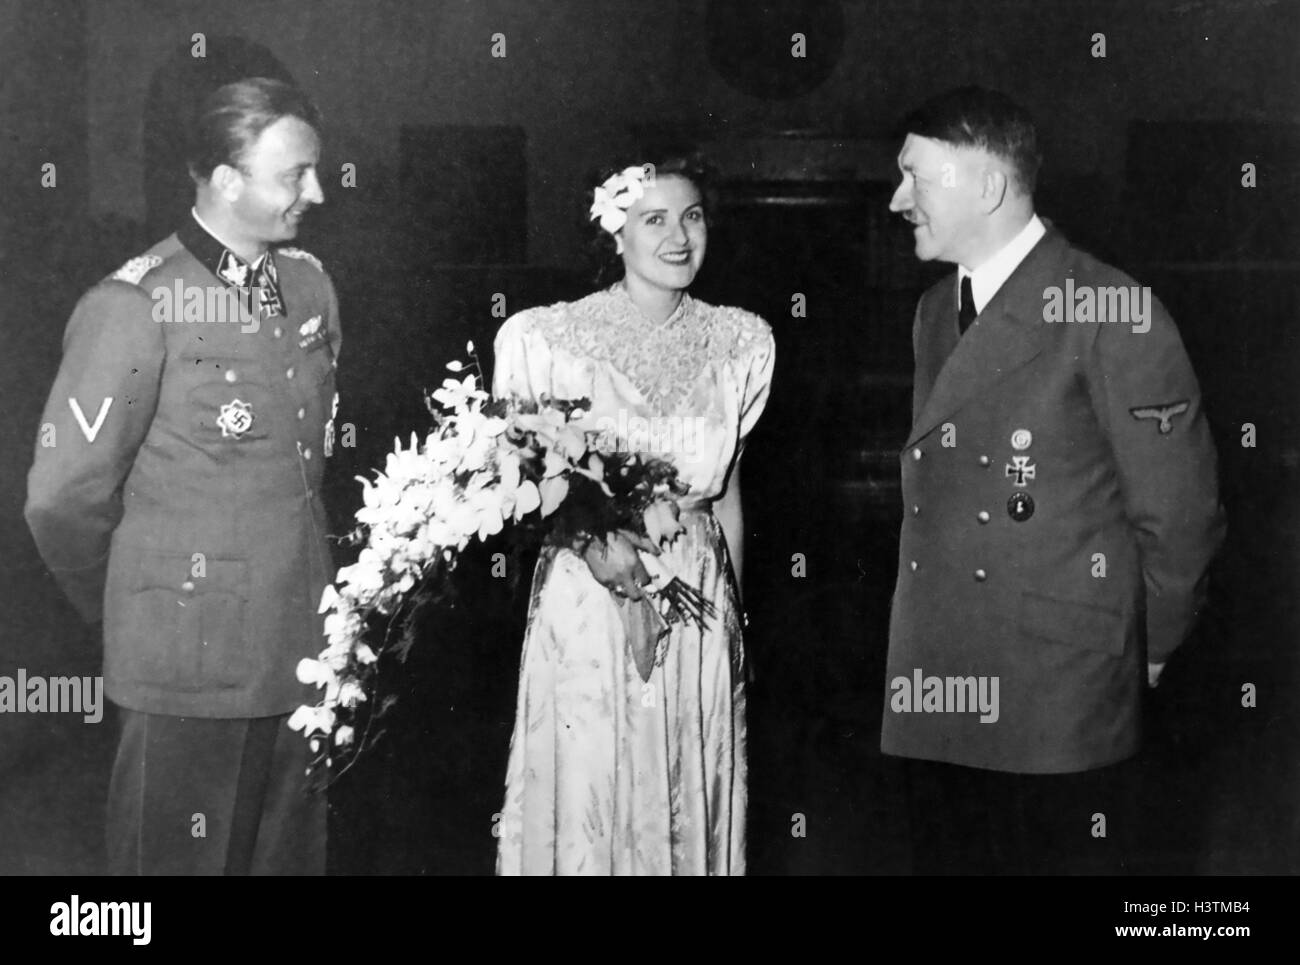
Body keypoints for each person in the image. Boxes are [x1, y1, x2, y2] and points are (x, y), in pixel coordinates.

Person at [880, 86, 1225, 874]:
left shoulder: (1110, 307)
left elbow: (1179, 516)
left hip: (1055, 687)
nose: (899, 199)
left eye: (916, 177)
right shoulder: (936, 309)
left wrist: (1146, 647)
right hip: (940, 670)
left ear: (989, 187)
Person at [25, 78, 338, 875]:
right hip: (186, 665)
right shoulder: (135, 305)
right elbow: (62, 498)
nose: (319, 191)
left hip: (301, 645)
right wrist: (136, 603)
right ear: (227, 180)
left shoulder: (307, 285)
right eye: (294, 175)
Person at [492, 153, 774, 875]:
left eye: (692, 216)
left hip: (697, 593)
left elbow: (727, 492)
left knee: (686, 781)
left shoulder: (741, 341)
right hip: (593, 594)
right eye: (654, 219)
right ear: (614, 232)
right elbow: (522, 492)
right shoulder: (548, 339)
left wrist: (734, 622)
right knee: (596, 783)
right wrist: (592, 543)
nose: (679, 236)